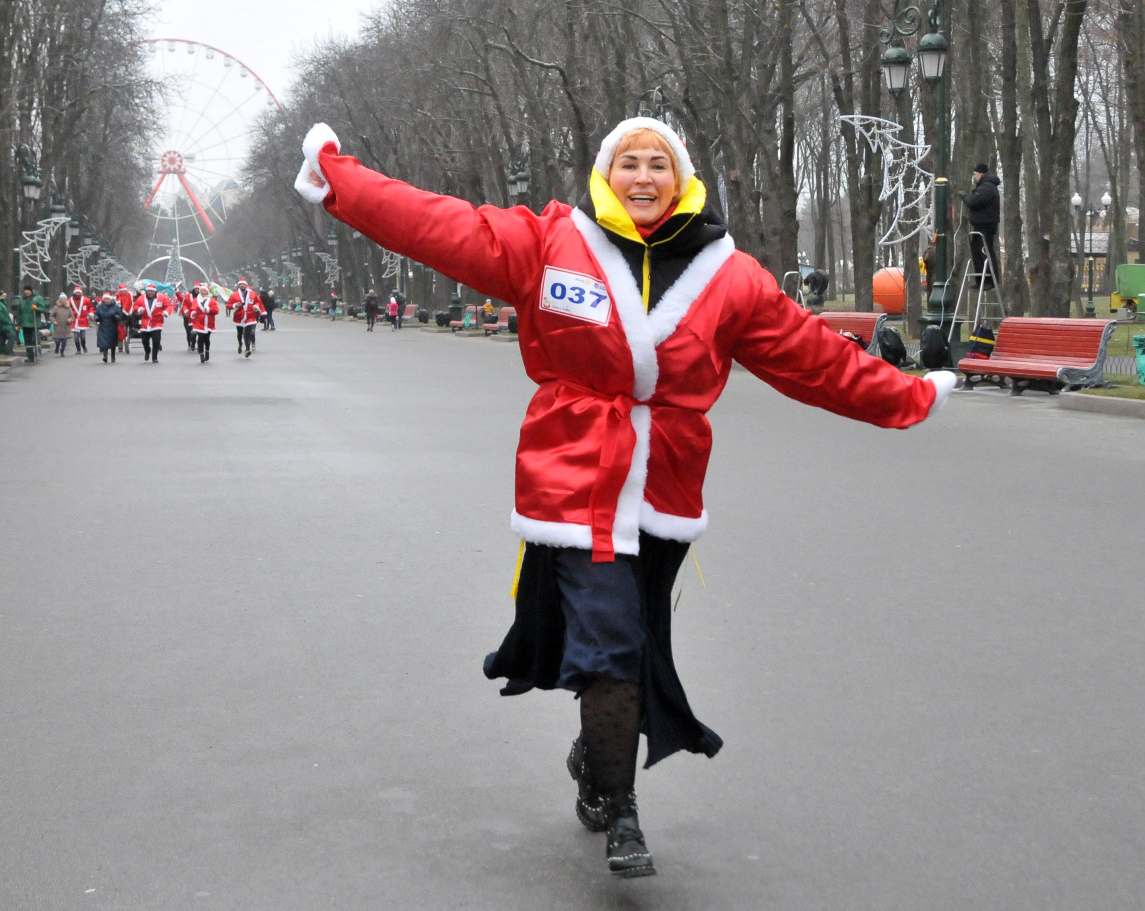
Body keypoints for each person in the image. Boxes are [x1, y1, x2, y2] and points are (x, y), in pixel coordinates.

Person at [295, 117, 956, 879]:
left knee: (634, 641)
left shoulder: (730, 276)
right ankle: (620, 807)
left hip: (665, 490)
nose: (644, 177)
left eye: (659, 165)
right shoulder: (549, 243)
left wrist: (909, 396)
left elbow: (813, 359)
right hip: (571, 478)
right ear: (607, 177)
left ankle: (594, 755)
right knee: (610, 639)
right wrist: (337, 178)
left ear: (682, 182)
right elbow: (436, 224)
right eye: (629, 164)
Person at [960, 163, 1001, 289]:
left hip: (985, 225)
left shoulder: (986, 187)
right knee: (978, 251)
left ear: (981, 173)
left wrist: (964, 196)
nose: (974, 177)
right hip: (982, 225)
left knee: (984, 251)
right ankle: (981, 280)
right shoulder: (986, 186)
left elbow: (974, 202)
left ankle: (989, 280)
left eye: (975, 174)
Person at [135, 281, 170, 363]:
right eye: (149, 291)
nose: (150, 293)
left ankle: (154, 357)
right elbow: (135, 305)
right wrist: (139, 309)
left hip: (157, 322)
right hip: (145, 322)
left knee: (156, 340)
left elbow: (169, 306)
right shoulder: (141, 298)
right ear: (146, 291)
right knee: (144, 341)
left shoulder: (161, 298)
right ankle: (147, 351)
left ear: (155, 291)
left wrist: (166, 312)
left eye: (152, 291)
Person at [227, 278, 263, 356]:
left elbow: (257, 301)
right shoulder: (234, 294)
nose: (242, 285)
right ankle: (240, 344)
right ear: (239, 285)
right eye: (241, 284)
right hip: (239, 316)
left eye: (243, 284)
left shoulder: (252, 294)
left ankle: (247, 349)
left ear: (246, 285)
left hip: (250, 316)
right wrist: (235, 305)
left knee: (247, 333)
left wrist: (256, 306)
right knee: (239, 333)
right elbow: (228, 305)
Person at [189, 282, 220, 362]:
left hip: (209, 322)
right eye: (201, 290)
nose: (202, 292)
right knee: (200, 338)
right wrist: (193, 313)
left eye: (204, 290)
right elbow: (193, 309)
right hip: (199, 322)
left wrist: (209, 309)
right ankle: (201, 353)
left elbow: (216, 311)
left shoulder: (212, 300)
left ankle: (207, 351)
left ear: (207, 292)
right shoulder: (196, 300)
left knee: (207, 338)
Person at [11, 284, 43, 362]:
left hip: (34, 322)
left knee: (36, 339)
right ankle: (30, 357)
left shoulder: (37, 298)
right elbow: (19, 312)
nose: (26, 292)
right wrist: (18, 323)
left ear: (31, 291)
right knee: (27, 341)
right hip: (25, 324)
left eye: (28, 290)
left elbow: (43, 308)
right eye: (25, 290)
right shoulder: (22, 299)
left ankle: (38, 355)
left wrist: (37, 308)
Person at [95, 292, 124, 363]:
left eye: (107, 299)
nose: (106, 300)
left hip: (112, 326)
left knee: (112, 343)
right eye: (105, 299)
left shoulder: (116, 307)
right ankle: (105, 356)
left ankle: (113, 356)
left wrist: (116, 317)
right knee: (104, 342)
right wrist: (96, 317)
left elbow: (120, 315)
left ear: (110, 299)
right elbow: (97, 314)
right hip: (103, 326)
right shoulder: (100, 306)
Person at [69, 286, 93, 354]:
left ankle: (83, 346)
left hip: (83, 320)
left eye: (79, 293)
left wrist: (91, 313)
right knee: (76, 337)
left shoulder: (86, 300)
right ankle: (78, 350)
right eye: (76, 293)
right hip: (74, 320)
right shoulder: (70, 300)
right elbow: (67, 308)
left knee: (82, 337)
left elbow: (90, 307)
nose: (77, 294)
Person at [0, 290, 15, 355]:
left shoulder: (0, 303)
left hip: (2, 324)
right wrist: (7, 320)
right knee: (12, 336)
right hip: (3, 324)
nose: (4, 297)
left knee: (2, 337)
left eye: (5, 296)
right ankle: (8, 351)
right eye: (3, 295)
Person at [115, 283, 136, 354]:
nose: (123, 292)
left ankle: (131, 332)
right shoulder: (117, 296)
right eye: (121, 291)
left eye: (124, 291)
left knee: (131, 325)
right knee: (121, 331)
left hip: (130, 314)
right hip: (121, 316)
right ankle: (120, 346)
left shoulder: (129, 294)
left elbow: (131, 303)